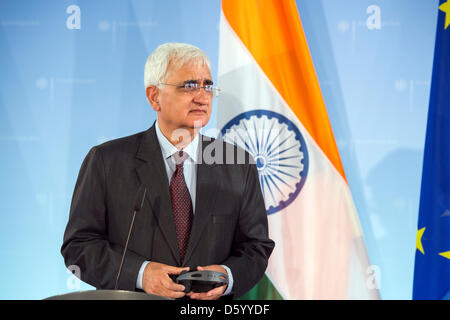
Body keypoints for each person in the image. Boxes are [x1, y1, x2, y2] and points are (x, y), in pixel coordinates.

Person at [61, 42, 274, 300]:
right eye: (189, 86)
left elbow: (255, 247)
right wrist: (140, 274)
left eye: (207, 86)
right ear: (154, 96)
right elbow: (79, 246)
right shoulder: (107, 161)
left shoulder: (238, 164)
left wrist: (227, 276)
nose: (202, 96)